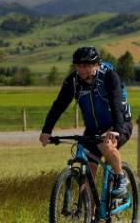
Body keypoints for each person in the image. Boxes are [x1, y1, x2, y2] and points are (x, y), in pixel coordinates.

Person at [39, 46, 132, 197]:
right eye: (79, 66)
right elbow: (59, 105)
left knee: (105, 145)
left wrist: (116, 130)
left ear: (96, 65)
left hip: (119, 123)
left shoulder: (109, 76)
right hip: (93, 129)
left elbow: (116, 103)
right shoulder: (73, 82)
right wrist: (46, 130)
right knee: (88, 172)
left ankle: (120, 177)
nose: (82, 70)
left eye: (87, 66)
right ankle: (92, 214)